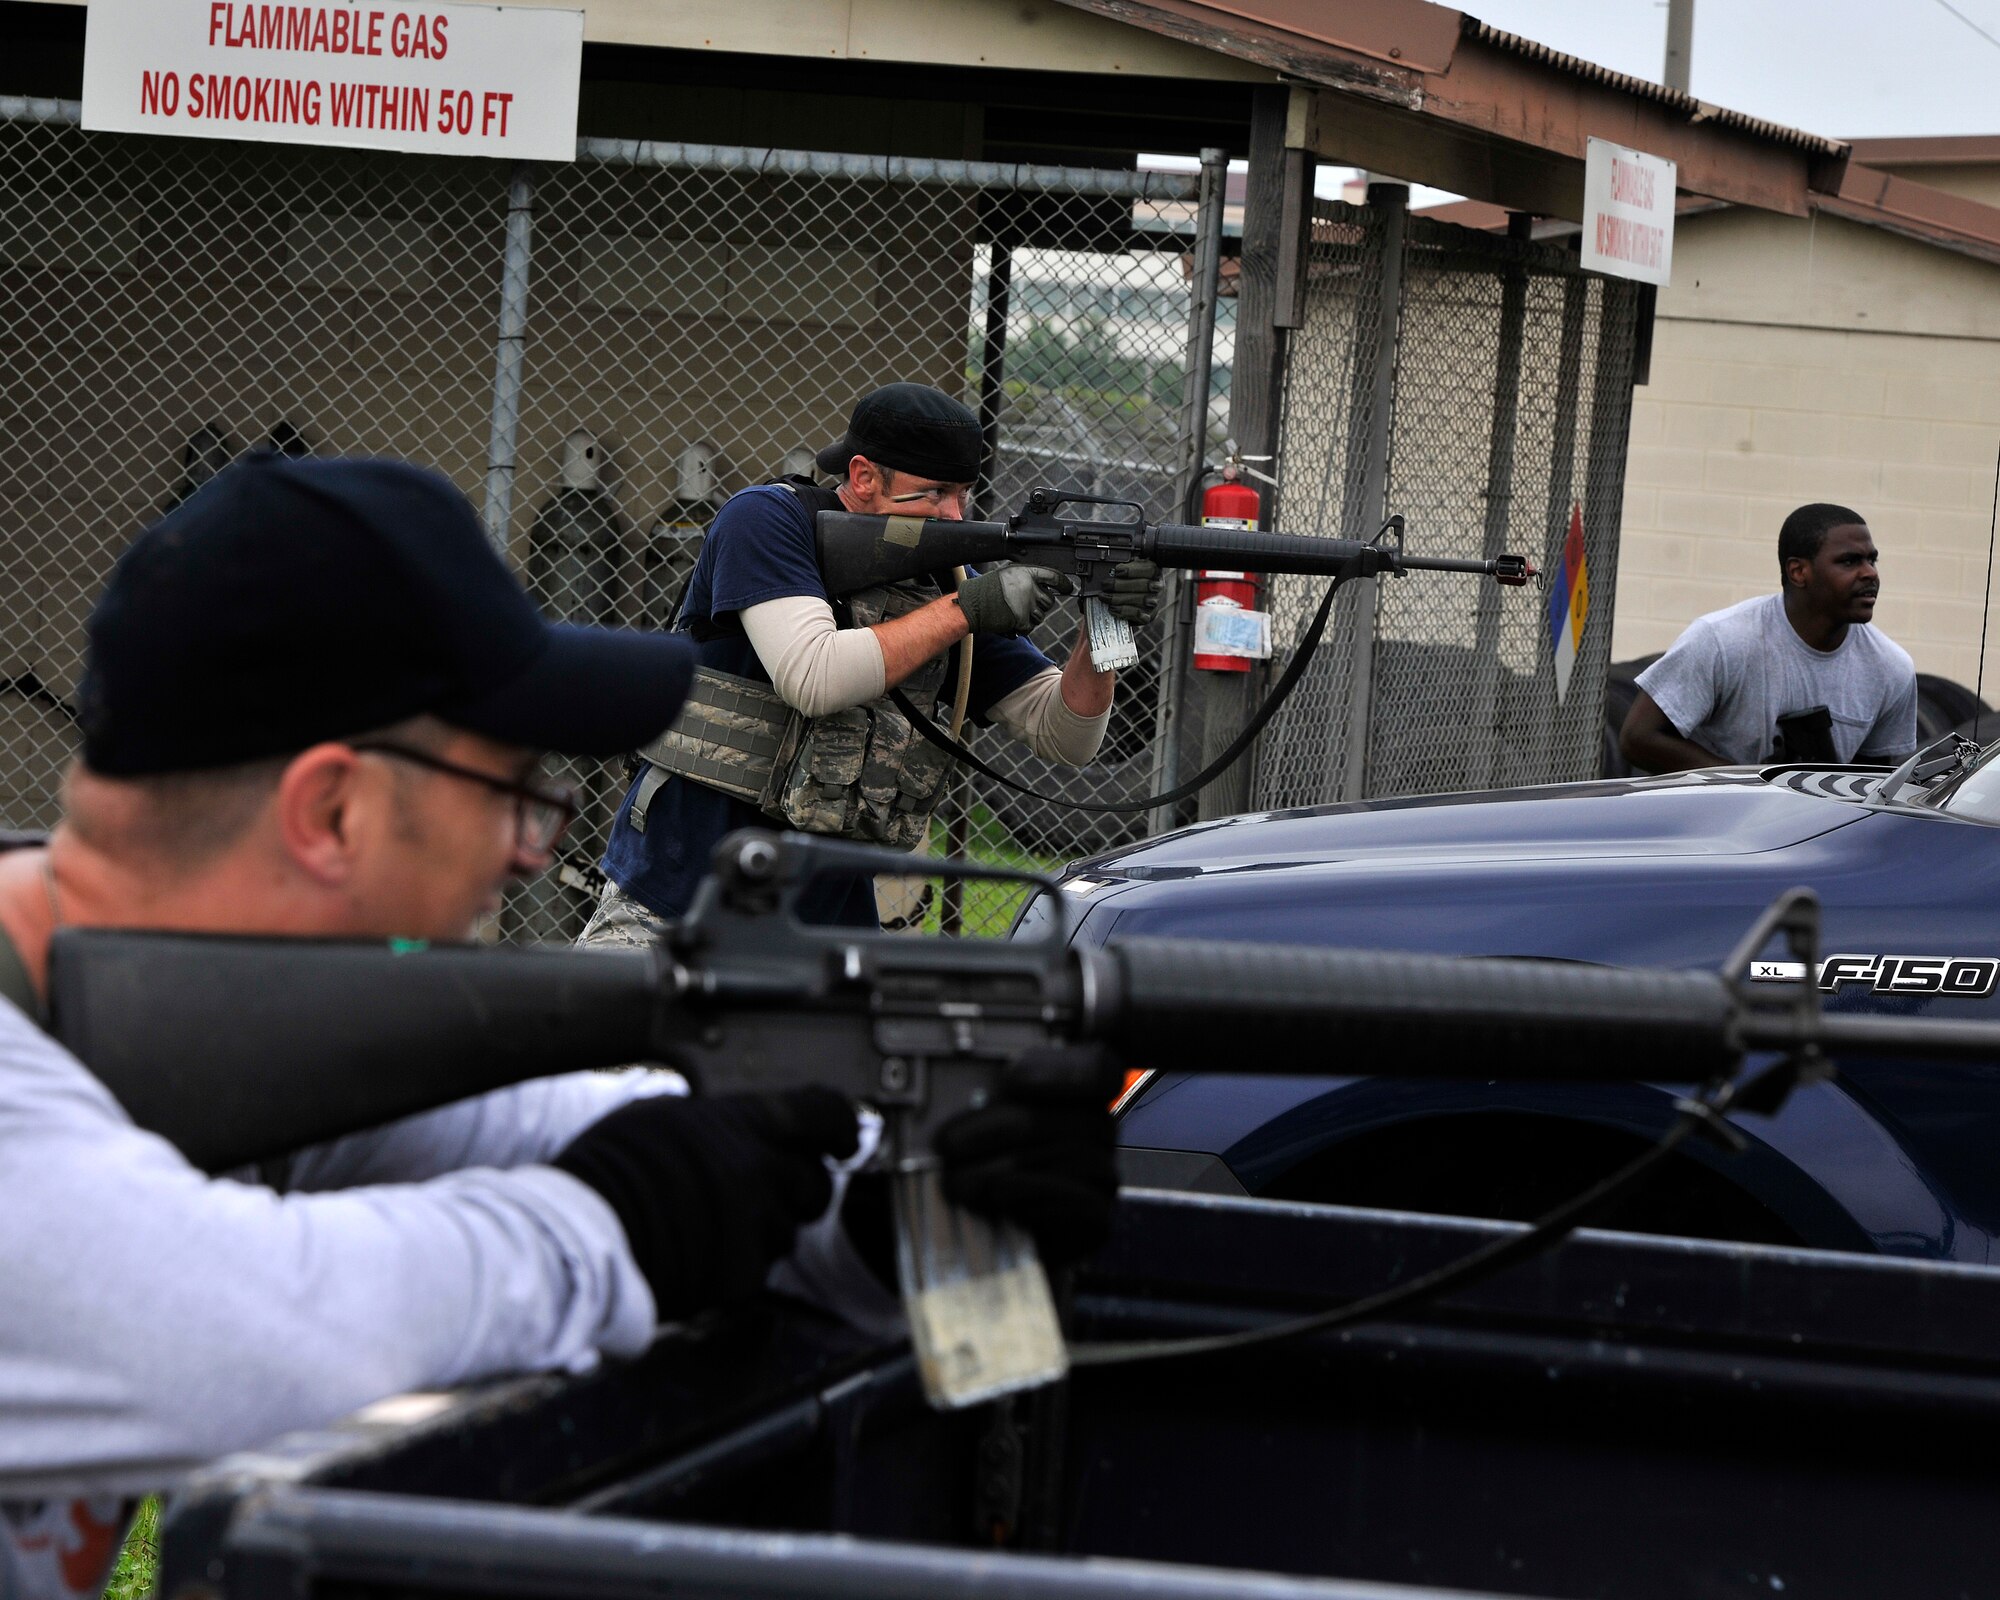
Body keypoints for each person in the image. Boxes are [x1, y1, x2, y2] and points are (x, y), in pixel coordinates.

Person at [0, 456, 1118, 1600]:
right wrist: (617, 1217)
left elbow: (556, 1123)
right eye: (509, 793)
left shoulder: (197, 1034)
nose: (528, 854)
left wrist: (884, 1204)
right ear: (332, 812)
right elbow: (246, 1333)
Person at [584, 383, 1164, 941]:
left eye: (963, 493)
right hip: (676, 895)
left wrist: (1103, 625)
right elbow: (813, 676)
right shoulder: (767, 519)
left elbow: (1066, 735)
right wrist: (965, 610)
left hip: (824, 923)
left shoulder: (946, 580)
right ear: (862, 476)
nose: (955, 515)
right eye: (935, 492)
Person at [1619, 502, 1917, 774]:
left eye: (1872, 560)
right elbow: (1638, 738)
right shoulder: (1721, 639)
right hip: (1704, 811)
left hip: (1807, 817)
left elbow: (1867, 785)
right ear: (1798, 572)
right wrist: (1753, 787)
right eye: (1849, 561)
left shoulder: (1891, 668)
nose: (1869, 573)